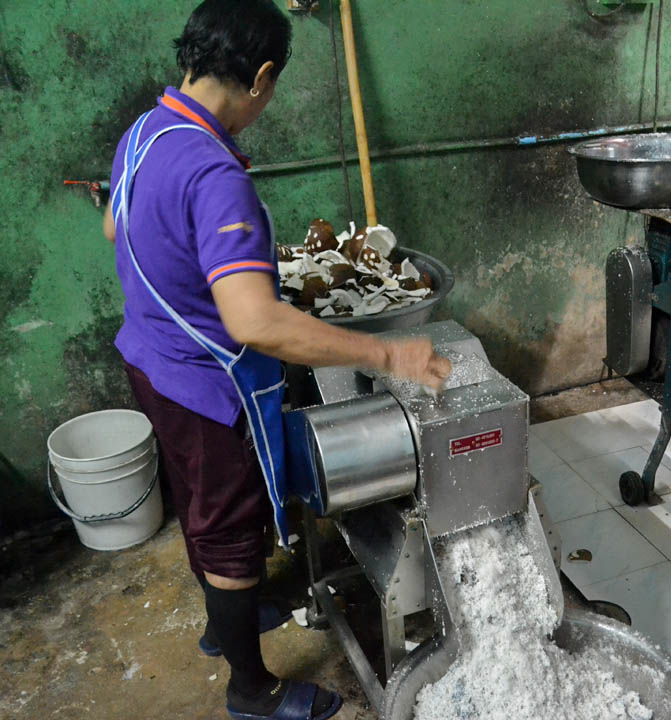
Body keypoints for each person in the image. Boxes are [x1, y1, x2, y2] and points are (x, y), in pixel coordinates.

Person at [103, 2, 451, 718]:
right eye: (274, 85)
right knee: (231, 533)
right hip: (207, 386)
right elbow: (255, 322)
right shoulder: (212, 171)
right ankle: (252, 693)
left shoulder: (146, 130)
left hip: (148, 360)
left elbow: (116, 220)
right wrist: (387, 351)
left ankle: (221, 627)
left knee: (202, 509)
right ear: (262, 76)